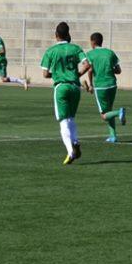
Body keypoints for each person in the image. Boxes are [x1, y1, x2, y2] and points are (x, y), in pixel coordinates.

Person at [40, 22, 87, 165]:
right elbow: (87, 64)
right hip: (75, 87)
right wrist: (76, 75)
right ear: (68, 34)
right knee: (71, 118)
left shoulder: (50, 51)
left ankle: (70, 151)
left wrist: (57, 75)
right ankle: (75, 141)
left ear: (56, 35)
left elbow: (45, 74)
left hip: (61, 87)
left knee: (63, 121)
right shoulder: (75, 48)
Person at [83, 32, 127, 142]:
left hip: (100, 86)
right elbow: (118, 70)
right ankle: (113, 136)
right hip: (112, 84)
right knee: (109, 111)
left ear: (93, 42)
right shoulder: (110, 53)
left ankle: (119, 112)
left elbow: (90, 70)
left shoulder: (90, 54)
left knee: (104, 115)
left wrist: (90, 85)